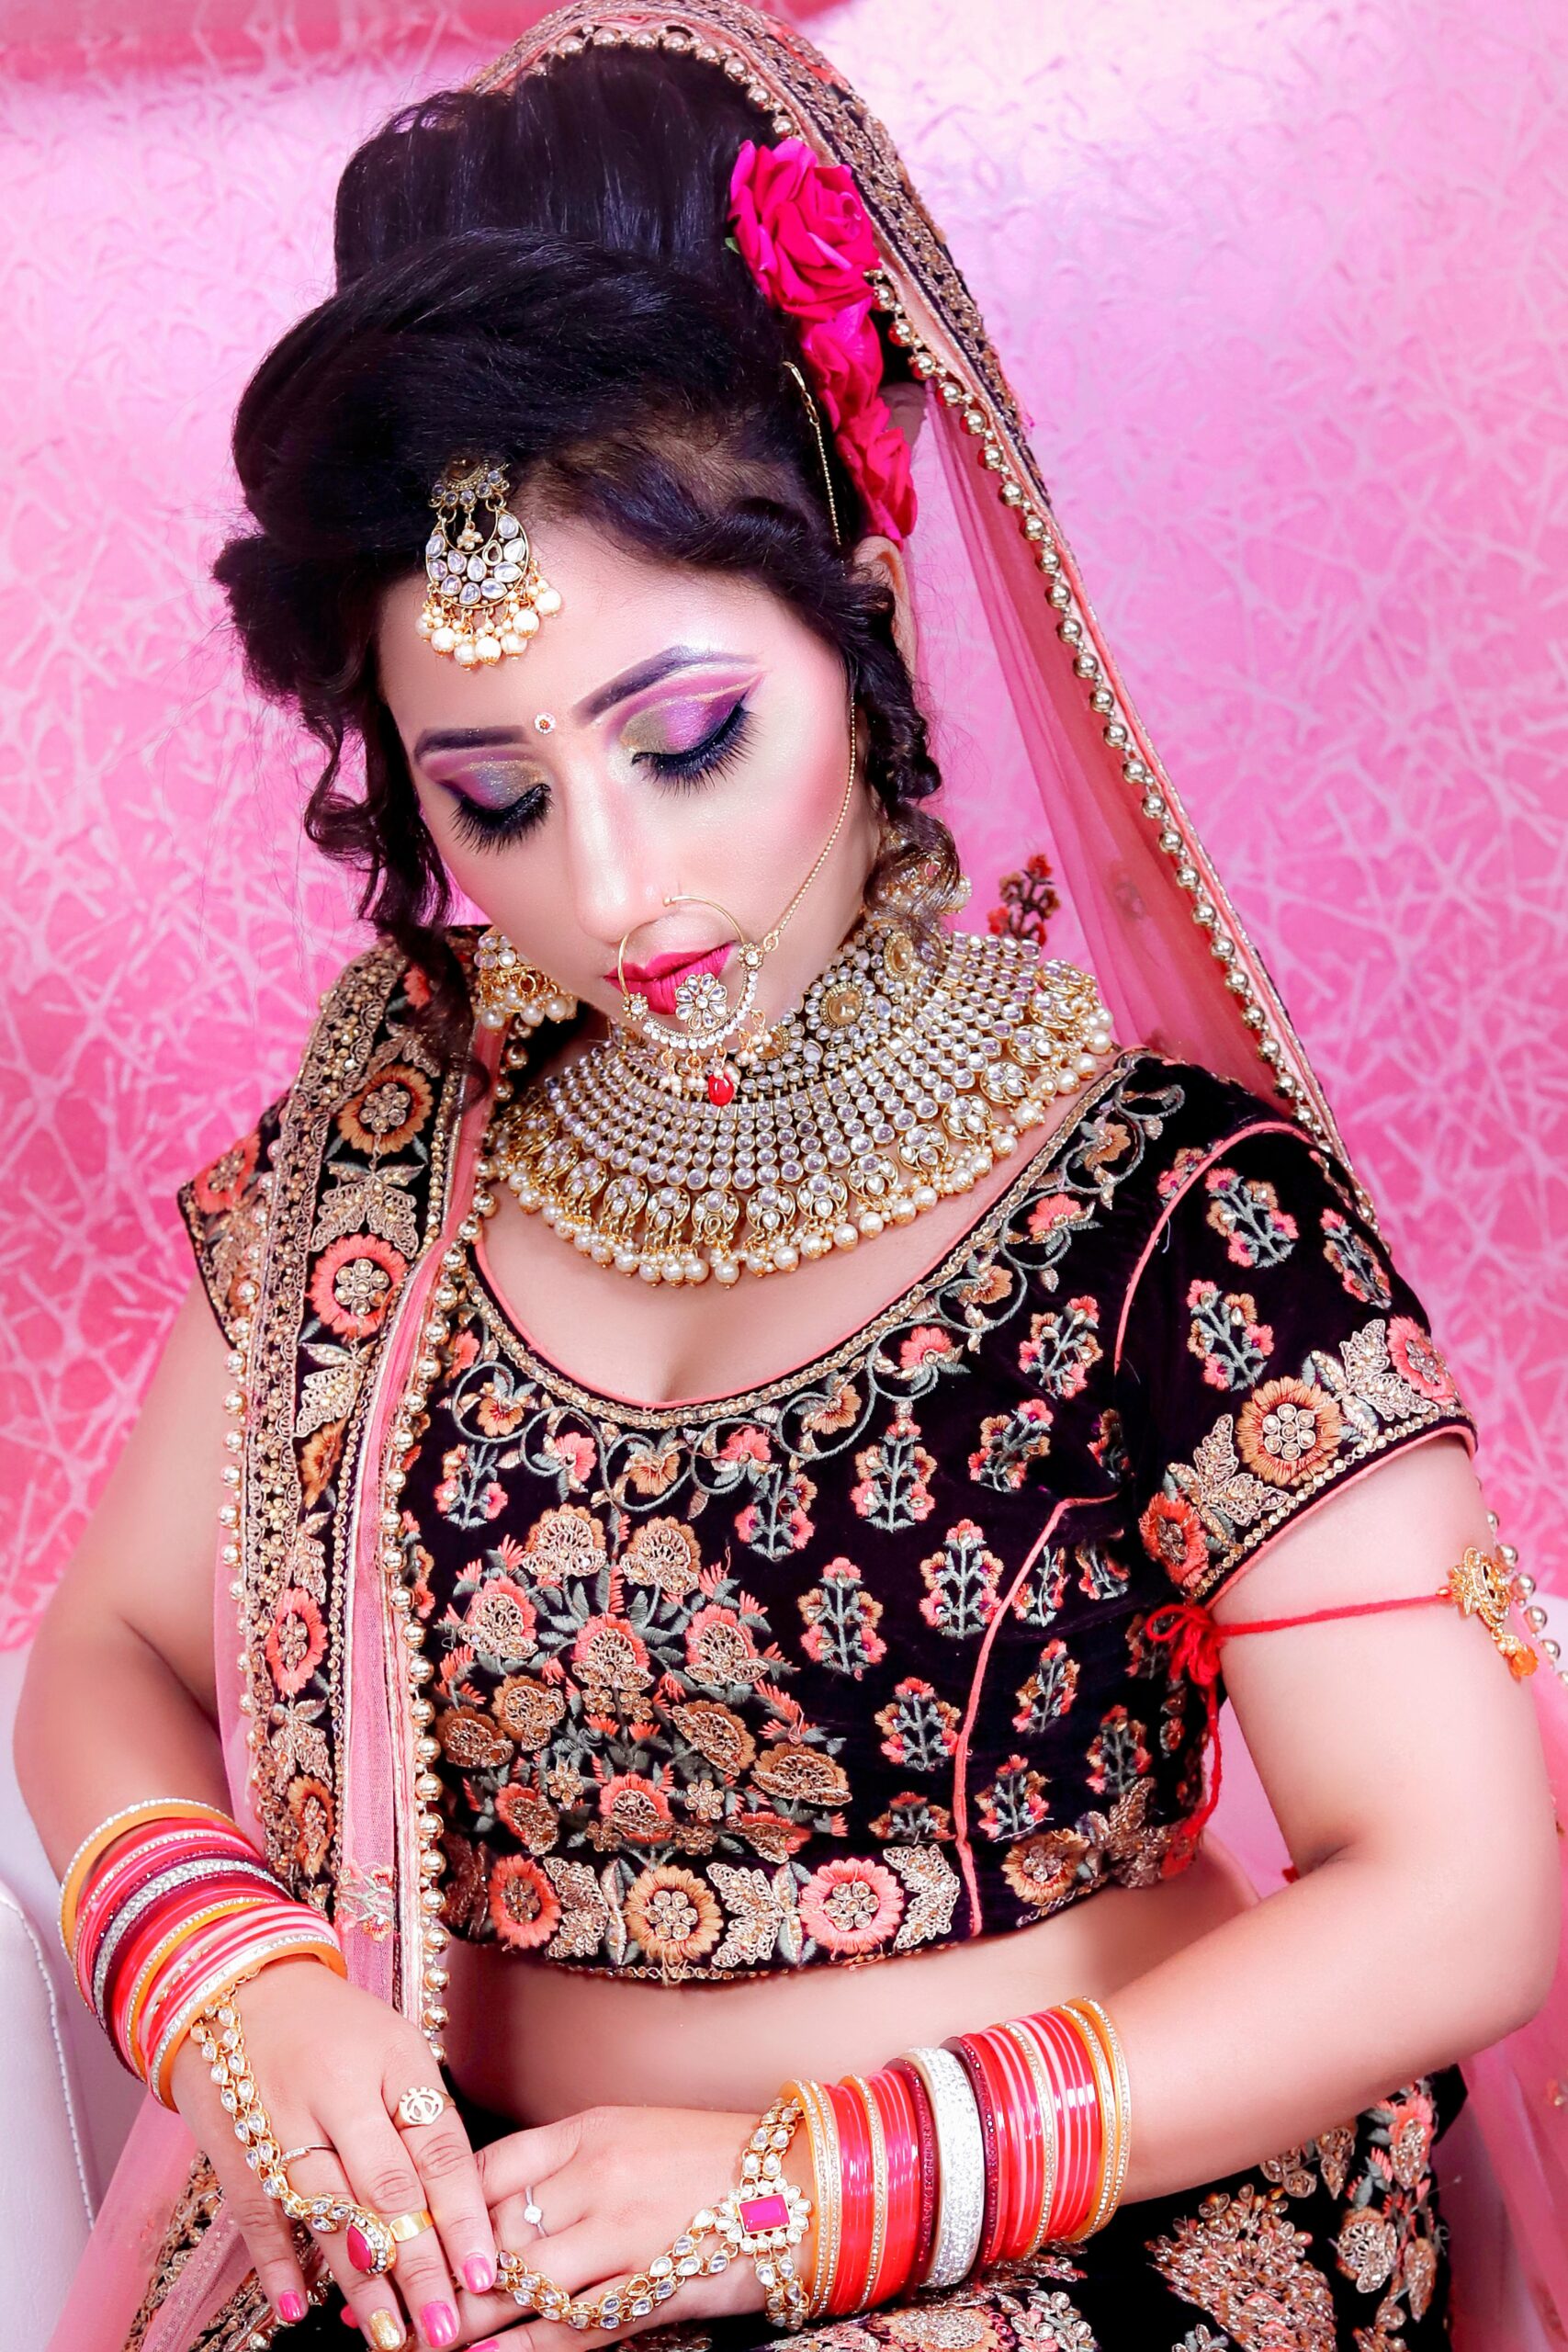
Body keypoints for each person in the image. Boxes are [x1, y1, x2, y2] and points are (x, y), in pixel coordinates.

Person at [19, 8, 1568, 2350]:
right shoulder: (396, 1143)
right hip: (474, 2251)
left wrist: (809, 2190)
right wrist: (233, 1976)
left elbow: (1455, 1894)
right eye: (496, 803)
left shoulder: (1160, 1208)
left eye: (688, 738)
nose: (620, 887)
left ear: (850, 616)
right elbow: (114, 1648)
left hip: (1055, 2227)